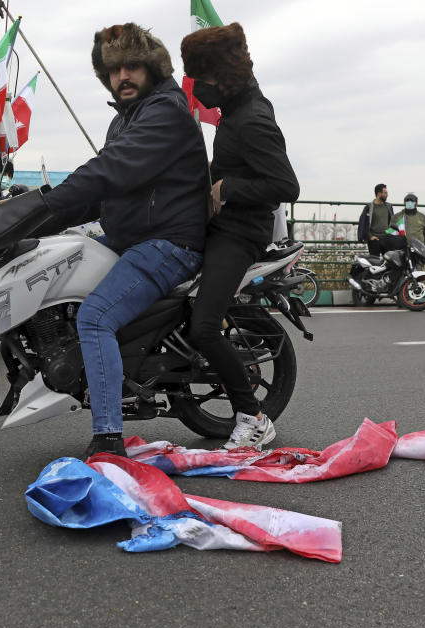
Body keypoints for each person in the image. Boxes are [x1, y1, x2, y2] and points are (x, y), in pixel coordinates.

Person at [33, 23, 207, 457]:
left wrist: (46, 204)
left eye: (131, 66)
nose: (122, 76)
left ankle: (109, 436)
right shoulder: (126, 117)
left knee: (94, 317)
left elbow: (111, 169)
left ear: (150, 68)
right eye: (113, 70)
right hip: (133, 237)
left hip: (168, 241)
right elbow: (105, 189)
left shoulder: (165, 110)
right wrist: (35, 220)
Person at [181, 23, 299, 451]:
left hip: (240, 233)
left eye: (201, 80)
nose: (198, 90)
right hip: (219, 226)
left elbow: (287, 185)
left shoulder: (251, 119)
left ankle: (253, 416)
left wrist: (227, 189)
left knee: (206, 327)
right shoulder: (236, 112)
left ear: (222, 77)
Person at [357, 184, 394, 254]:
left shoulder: (389, 206)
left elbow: (392, 222)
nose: (387, 195)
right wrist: (370, 236)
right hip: (374, 240)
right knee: (374, 263)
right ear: (379, 194)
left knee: (389, 262)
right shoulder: (369, 208)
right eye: (385, 193)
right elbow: (363, 223)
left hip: (386, 239)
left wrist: (390, 235)